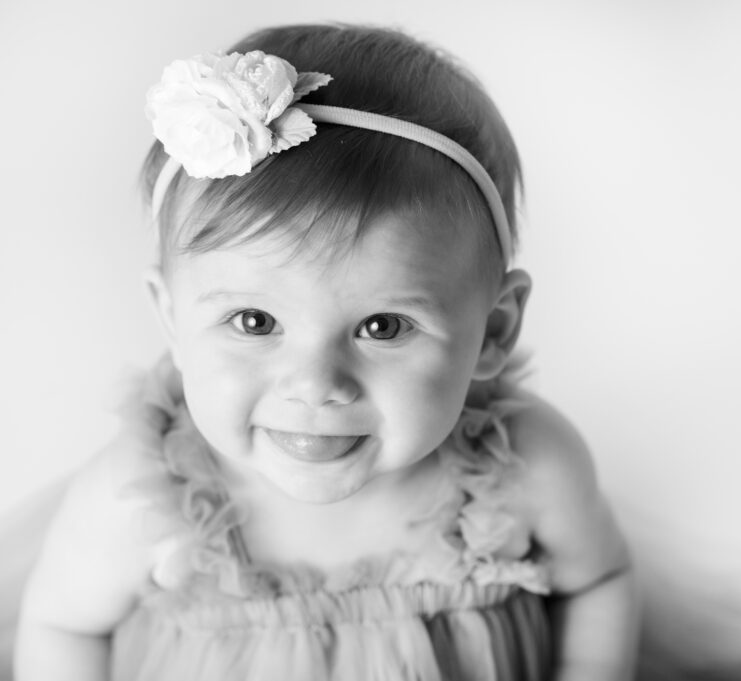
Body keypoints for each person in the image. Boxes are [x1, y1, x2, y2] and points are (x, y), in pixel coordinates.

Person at [14, 23, 637, 681]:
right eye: (255, 321)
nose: (315, 384)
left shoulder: (528, 470)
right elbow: (62, 625)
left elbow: (598, 579)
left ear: (494, 330)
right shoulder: (141, 503)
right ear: (171, 315)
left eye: (383, 327)